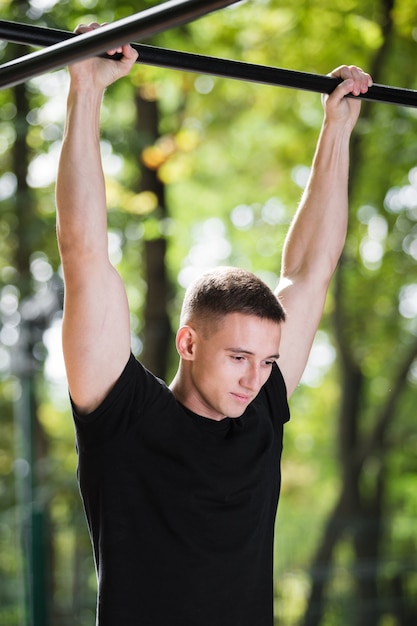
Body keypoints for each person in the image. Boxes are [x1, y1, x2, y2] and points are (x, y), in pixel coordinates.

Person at [55, 22, 372, 626]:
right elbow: (84, 249)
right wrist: (86, 87)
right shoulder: (121, 414)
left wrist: (337, 129)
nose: (256, 379)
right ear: (188, 341)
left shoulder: (259, 415)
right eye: (238, 357)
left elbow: (310, 271)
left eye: (267, 361)